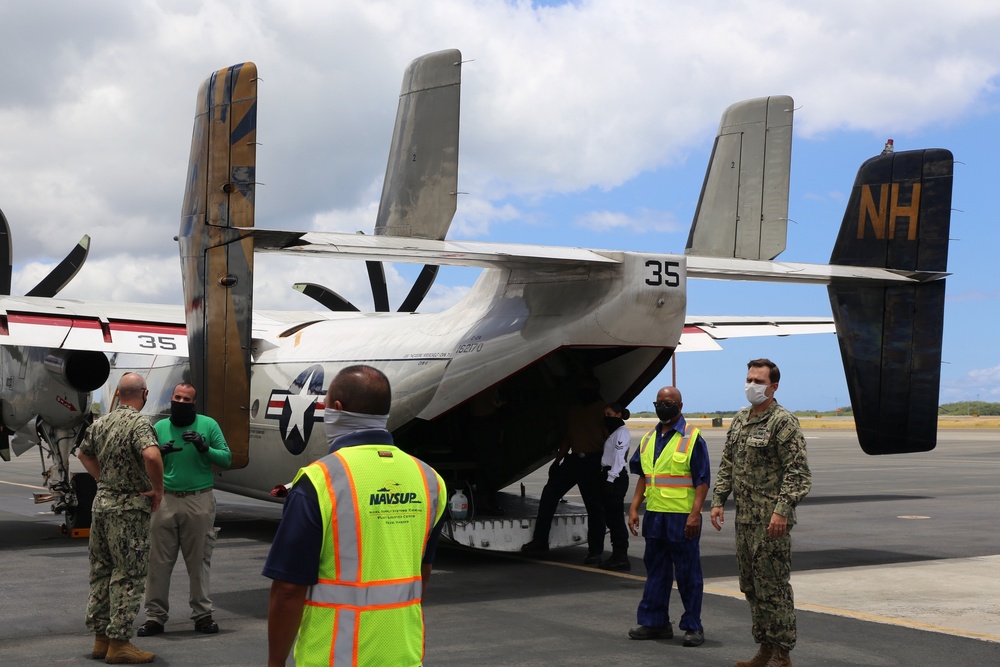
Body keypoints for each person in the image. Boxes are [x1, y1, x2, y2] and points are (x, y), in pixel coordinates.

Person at [263, 365, 447, 667]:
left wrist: (275, 663)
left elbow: (288, 589)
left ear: (337, 409)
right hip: (403, 655)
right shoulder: (429, 479)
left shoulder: (319, 480)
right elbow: (421, 572)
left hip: (335, 657)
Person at [711, 359, 812, 667]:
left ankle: (783, 653)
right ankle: (765, 648)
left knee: (774, 587)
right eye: (749, 379)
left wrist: (782, 511)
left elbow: (798, 472)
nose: (751, 385)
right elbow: (728, 463)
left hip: (771, 522)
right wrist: (718, 499)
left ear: (773, 387)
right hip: (746, 520)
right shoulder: (740, 420)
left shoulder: (783, 421)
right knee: (751, 586)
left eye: (758, 381)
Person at [77, 373, 163, 664]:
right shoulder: (139, 423)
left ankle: (101, 639)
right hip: (128, 510)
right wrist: (158, 489)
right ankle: (120, 642)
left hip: (101, 506)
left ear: (116, 394)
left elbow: (83, 454)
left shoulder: (101, 423)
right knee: (129, 574)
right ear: (144, 394)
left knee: (102, 571)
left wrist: (104, 479)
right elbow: (152, 456)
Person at [138, 382, 232, 637]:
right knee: (158, 561)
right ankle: (155, 617)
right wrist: (160, 453)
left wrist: (204, 447)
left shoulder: (208, 425)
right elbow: (144, 462)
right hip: (165, 499)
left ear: (193, 403)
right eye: (177, 397)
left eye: (186, 399)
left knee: (199, 561)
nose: (180, 402)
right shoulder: (159, 427)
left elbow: (226, 458)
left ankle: (202, 615)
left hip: (198, 499)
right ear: (172, 398)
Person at [626, 386, 710, 647]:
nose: (664, 406)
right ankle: (655, 623)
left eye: (669, 402)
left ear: (680, 406)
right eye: (660, 402)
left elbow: (702, 480)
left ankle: (693, 626)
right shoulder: (649, 438)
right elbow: (644, 477)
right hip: (655, 516)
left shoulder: (692, 438)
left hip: (682, 517)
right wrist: (634, 507)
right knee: (656, 572)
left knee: (688, 574)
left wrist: (695, 514)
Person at [521, 375, 607, 563]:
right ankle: (540, 540)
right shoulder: (575, 410)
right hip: (573, 460)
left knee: (594, 507)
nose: (582, 392)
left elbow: (610, 439)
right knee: (549, 494)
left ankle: (595, 551)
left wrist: (607, 466)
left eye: (586, 389)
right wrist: (557, 461)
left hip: (593, 461)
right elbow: (568, 437)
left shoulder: (602, 410)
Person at [598, 402, 632, 571]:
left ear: (619, 415)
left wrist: (610, 480)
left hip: (615, 477)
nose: (606, 417)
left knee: (616, 518)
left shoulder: (621, 433)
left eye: (609, 414)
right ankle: (617, 554)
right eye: (605, 414)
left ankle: (621, 556)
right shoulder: (614, 433)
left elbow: (619, 458)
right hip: (610, 474)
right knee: (611, 517)